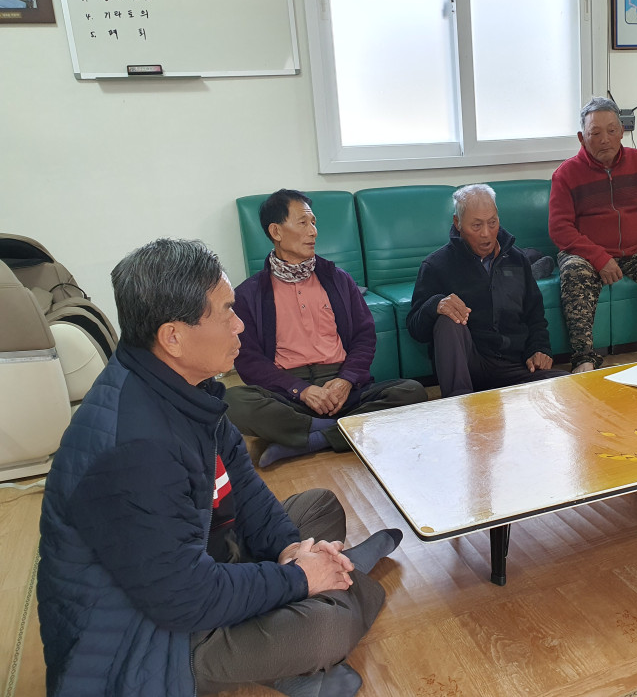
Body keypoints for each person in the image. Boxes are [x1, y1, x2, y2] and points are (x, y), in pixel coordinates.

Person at [37, 238, 403, 697]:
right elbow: (184, 597)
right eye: (227, 311)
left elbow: (243, 486)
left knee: (319, 506)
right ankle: (345, 581)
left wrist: (290, 549)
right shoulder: (133, 449)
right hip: (149, 638)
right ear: (173, 336)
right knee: (324, 629)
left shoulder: (185, 385)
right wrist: (300, 577)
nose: (240, 324)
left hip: (204, 557)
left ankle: (326, 588)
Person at [225, 189, 427, 467]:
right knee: (232, 400)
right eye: (303, 223)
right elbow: (248, 360)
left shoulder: (338, 279)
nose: (313, 232)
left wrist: (346, 380)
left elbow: (364, 337)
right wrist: (300, 390)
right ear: (276, 231)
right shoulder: (249, 294)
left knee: (411, 392)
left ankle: (312, 438)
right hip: (289, 394)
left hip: (342, 388)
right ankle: (343, 429)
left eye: (314, 222)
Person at [549, 96, 637, 373]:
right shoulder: (565, 174)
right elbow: (560, 229)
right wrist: (599, 258)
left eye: (612, 130)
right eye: (595, 133)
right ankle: (584, 358)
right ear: (582, 138)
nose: (605, 139)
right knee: (574, 272)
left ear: (622, 132)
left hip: (636, 250)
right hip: (588, 254)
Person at [407, 184, 567, 397]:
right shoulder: (436, 265)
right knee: (448, 319)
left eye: (492, 223)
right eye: (476, 225)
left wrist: (540, 349)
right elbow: (415, 328)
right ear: (458, 223)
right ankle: (458, 402)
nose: (486, 233)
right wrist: (434, 305)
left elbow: (535, 316)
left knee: (568, 388)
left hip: (514, 366)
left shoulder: (518, 260)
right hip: (469, 367)